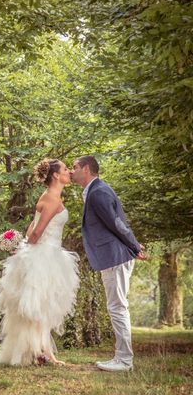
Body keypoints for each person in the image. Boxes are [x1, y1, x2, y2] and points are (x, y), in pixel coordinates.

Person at [0, 158, 80, 367]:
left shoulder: (48, 196)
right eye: (64, 169)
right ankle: (39, 353)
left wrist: (25, 245)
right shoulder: (52, 199)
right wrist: (29, 245)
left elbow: (30, 229)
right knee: (39, 308)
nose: (69, 171)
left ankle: (43, 353)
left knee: (42, 308)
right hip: (45, 256)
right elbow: (35, 233)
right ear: (55, 175)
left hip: (46, 254)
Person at [71, 156, 147, 372]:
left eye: (74, 167)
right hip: (113, 256)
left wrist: (135, 246)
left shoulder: (98, 192)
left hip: (115, 256)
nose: (71, 171)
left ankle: (124, 360)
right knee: (116, 306)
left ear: (86, 169)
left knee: (117, 307)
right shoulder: (95, 191)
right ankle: (121, 357)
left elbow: (117, 223)